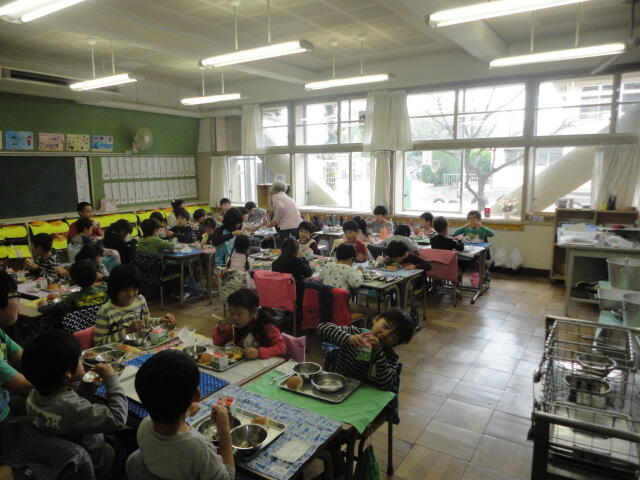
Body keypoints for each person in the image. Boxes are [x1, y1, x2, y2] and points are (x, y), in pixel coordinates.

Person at [22, 330, 128, 480]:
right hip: (97, 461)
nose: (82, 361)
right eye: (80, 359)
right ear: (68, 374)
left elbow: (66, 406)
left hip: (60, 454)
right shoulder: (72, 409)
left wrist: (88, 384)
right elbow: (118, 418)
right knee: (130, 437)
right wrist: (112, 379)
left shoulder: (34, 395)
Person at [127, 350, 234, 480]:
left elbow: (167, 415)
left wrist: (185, 412)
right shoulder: (198, 448)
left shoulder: (144, 425)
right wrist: (224, 428)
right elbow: (228, 477)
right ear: (196, 396)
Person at [317, 308, 414, 391]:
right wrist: (349, 338)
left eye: (393, 337)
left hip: (367, 394)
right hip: (341, 386)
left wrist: (378, 352)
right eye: (385, 326)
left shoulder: (390, 356)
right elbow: (322, 328)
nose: (385, 334)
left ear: (395, 344)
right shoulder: (355, 333)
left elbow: (387, 385)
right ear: (376, 319)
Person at [94, 265, 175, 346]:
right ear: (114, 289)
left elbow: (146, 321)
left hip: (139, 347)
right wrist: (127, 331)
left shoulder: (140, 300)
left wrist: (161, 321)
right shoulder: (106, 311)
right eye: (125, 290)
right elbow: (98, 343)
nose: (130, 294)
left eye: (135, 289)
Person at [212, 289, 286, 359]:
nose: (234, 317)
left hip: (267, 364)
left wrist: (258, 353)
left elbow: (281, 348)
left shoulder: (267, 326)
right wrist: (221, 329)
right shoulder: (236, 325)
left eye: (239, 313)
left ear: (254, 312)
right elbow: (218, 343)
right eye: (231, 313)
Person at [0, 271, 33, 425]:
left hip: (6, 403)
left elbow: (24, 358)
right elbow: (25, 387)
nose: (19, 302)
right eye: (16, 296)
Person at [37, 260, 108, 329]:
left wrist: (42, 306)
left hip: (78, 330)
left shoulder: (72, 298)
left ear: (73, 280)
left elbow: (54, 310)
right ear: (96, 275)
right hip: (101, 327)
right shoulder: (104, 289)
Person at [271, 238, 313, 308]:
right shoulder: (298, 262)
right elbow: (309, 273)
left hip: (280, 292)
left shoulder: (275, 263)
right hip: (297, 293)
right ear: (296, 250)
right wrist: (303, 258)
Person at [266, 182, 302, 246]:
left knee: (283, 248)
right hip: (297, 226)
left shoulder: (276, 196)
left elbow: (280, 207)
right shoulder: (289, 198)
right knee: (293, 247)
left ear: (274, 189)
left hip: (287, 227)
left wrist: (275, 220)